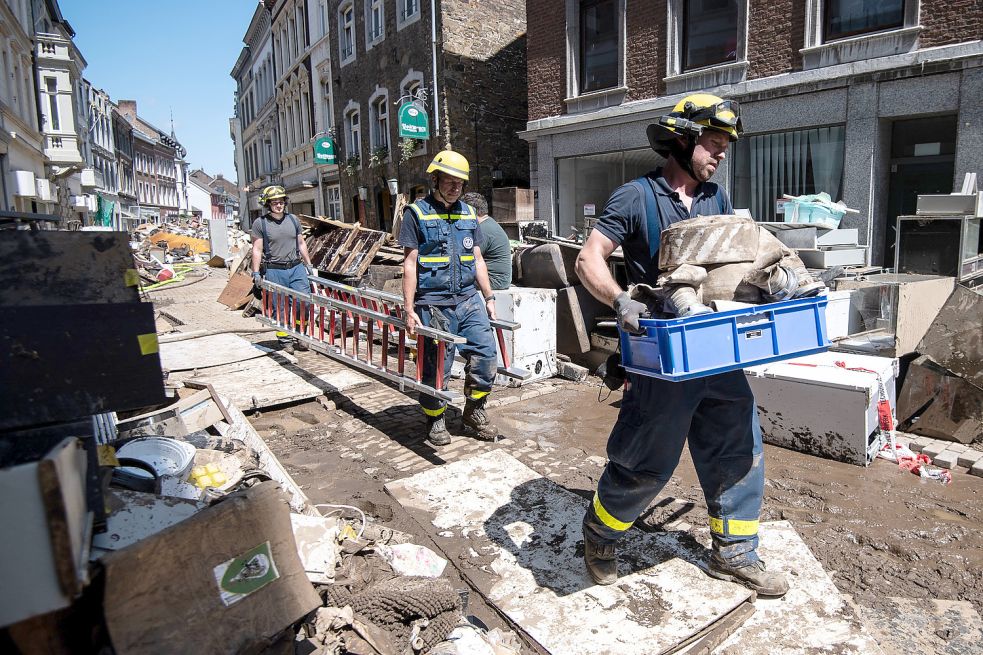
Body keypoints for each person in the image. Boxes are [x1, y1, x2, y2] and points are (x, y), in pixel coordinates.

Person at [573, 93, 789, 597]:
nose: (719, 155)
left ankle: (734, 554)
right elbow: (589, 260)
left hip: (715, 347)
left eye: (723, 148)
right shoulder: (635, 196)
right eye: (713, 144)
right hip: (663, 354)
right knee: (649, 457)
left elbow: (729, 270)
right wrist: (622, 299)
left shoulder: (717, 200)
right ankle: (601, 534)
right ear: (683, 139)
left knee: (737, 446)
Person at [399, 150, 502, 447]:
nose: (455, 187)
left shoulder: (469, 214)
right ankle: (435, 418)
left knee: (486, 355)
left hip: (469, 300)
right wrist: (409, 309)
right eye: (449, 181)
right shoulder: (416, 213)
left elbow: (478, 259)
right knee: (437, 365)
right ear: (436, 179)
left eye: (460, 183)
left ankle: (474, 412)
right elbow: (409, 264)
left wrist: (489, 297)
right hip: (434, 302)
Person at [251, 185, 315, 354]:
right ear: (268, 204)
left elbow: (301, 243)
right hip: (274, 269)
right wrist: (256, 272)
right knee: (280, 306)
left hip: (296, 267)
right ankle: (285, 339)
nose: (279, 206)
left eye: (281, 202)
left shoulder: (293, 220)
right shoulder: (261, 223)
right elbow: (257, 249)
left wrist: (309, 265)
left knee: (304, 302)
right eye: (274, 203)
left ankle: (301, 335)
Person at [461, 192, 512, 290]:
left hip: (494, 280)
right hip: (497, 279)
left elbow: (467, 258)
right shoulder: (489, 223)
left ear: (471, 212)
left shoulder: (483, 230)